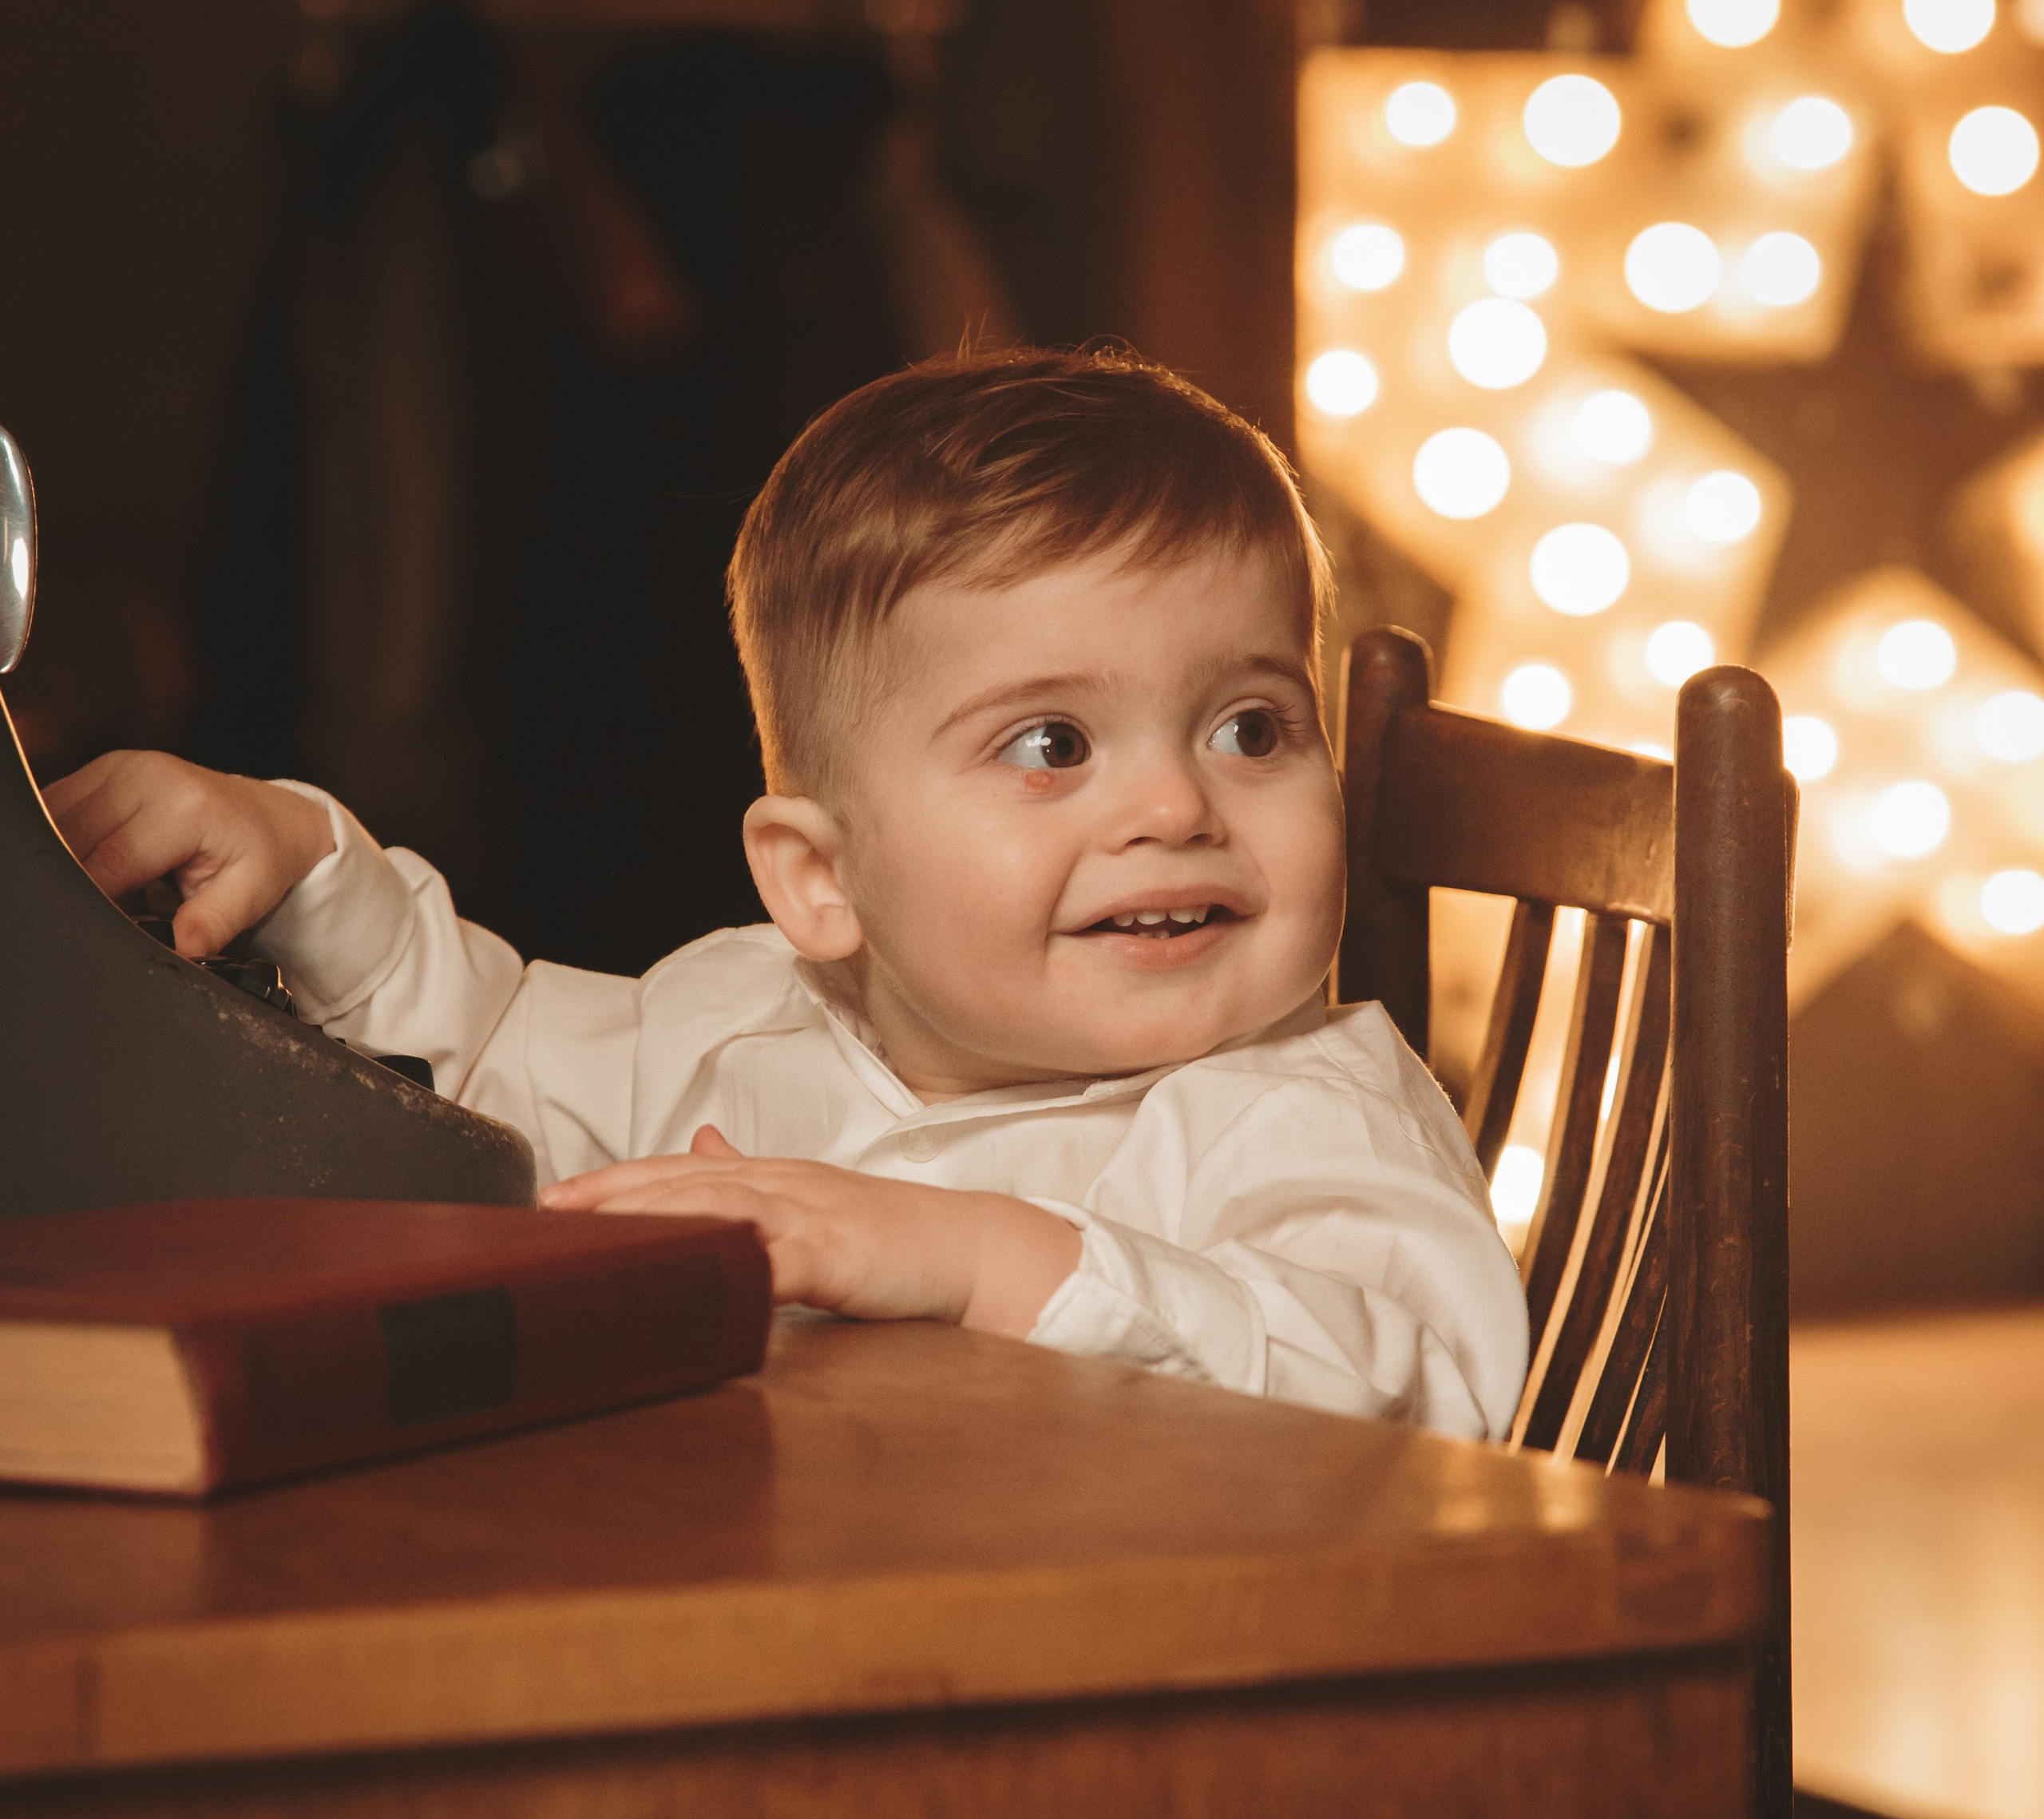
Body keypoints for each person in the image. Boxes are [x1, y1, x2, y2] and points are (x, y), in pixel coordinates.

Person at [47, 348, 1528, 1435]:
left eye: (1252, 729)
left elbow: (1426, 1406)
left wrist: (978, 1258)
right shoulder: (750, 1019)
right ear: (821, 881)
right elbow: (494, 1064)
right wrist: (309, 862)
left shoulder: (1306, 1114)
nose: (1176, 809)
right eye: (1052, 746)